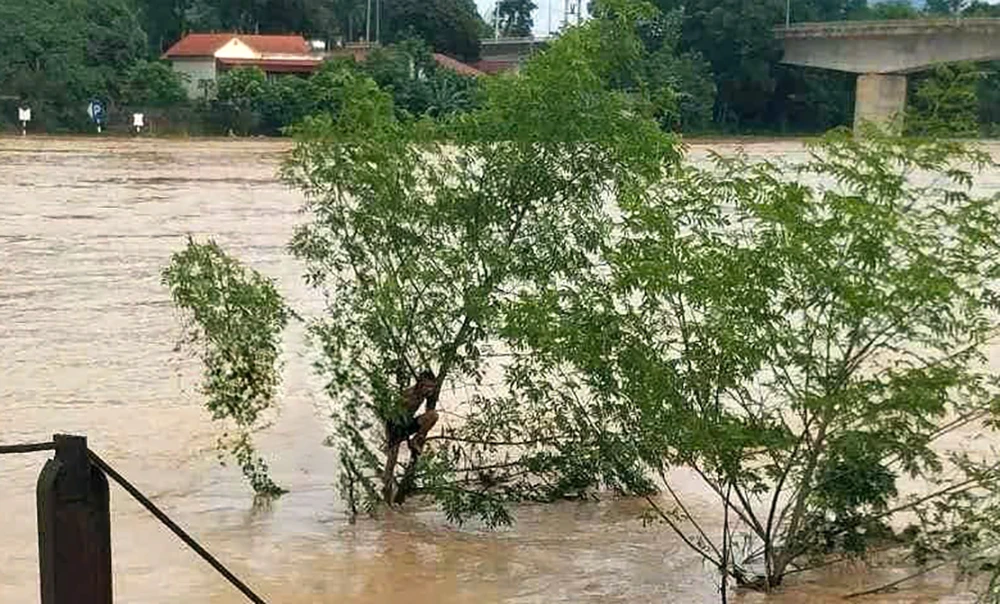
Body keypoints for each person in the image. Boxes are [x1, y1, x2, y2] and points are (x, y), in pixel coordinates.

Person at [382, 369, 440, 502]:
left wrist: (415, 433)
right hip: (395, 426)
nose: (430, 390)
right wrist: (392, 438)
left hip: (408, 423)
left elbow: (429, 404)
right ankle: (386, 494)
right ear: (420, 384)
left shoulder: (426, 394)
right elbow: (391, 415)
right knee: (391, 461)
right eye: (427, 386)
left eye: (432, 387)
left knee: (433, 415)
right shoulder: (409, 394)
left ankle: (416, 440)